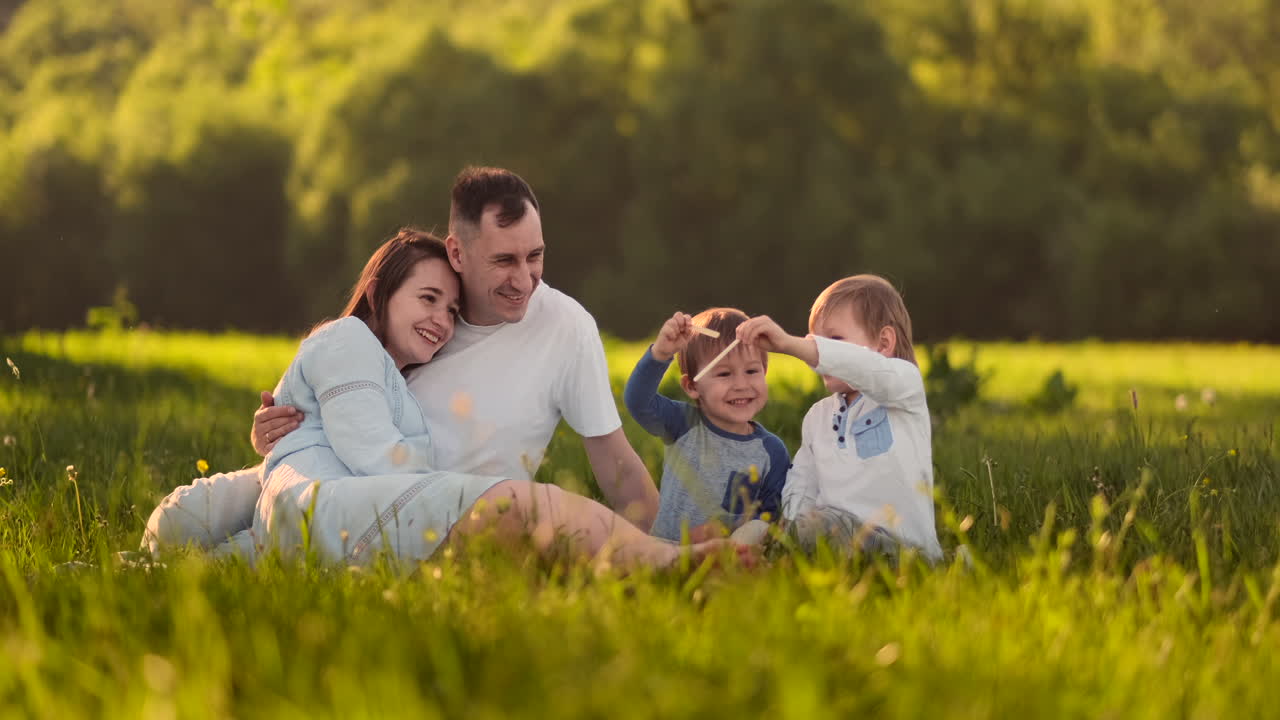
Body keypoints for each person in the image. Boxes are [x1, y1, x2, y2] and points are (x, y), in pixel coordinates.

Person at [142, 167, 661, 556]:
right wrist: (273, 432)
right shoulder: (420, 321)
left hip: (466, 520)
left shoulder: (565, 328)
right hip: (347, 493)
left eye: (535, 256)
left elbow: (614, 460)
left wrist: (660, 545)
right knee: (186, 528)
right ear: (459, 253)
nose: (524, 280)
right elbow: (347, 397)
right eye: (504, 260)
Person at [246, 227, 729, 568]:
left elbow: (310, 457)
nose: (442, 321)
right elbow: (362, 458)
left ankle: (671, 557)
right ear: (378, 293)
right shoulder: (347, 345)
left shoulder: (394, 374)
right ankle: (673, 562)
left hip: (362, 519)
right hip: (363, 517)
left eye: (452, 309)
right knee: (525, 507)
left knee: (530, 524)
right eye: (428, 299)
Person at [734, 275, 943, 561]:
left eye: (834, 340)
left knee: (823, 529)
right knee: (767, 528)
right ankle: (759, 557)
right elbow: (803, 484)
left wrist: (791, 344)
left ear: (884, 343)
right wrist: (793, 525)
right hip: (832, 537)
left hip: (902, 550)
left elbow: (865, 368)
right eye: (816, 341)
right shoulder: (817, 416)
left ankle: (765, 555)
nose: (818, 353)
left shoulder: (904, 389)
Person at [623, 309, 788, 542]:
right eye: (724, 374)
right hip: (667, 549)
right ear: (692, 386)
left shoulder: (772, 451)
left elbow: (768, 515)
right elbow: (638, 401)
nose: (741, 384)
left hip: (727, 562)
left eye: (752, 371)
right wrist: (660, 354)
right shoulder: (683, 423)